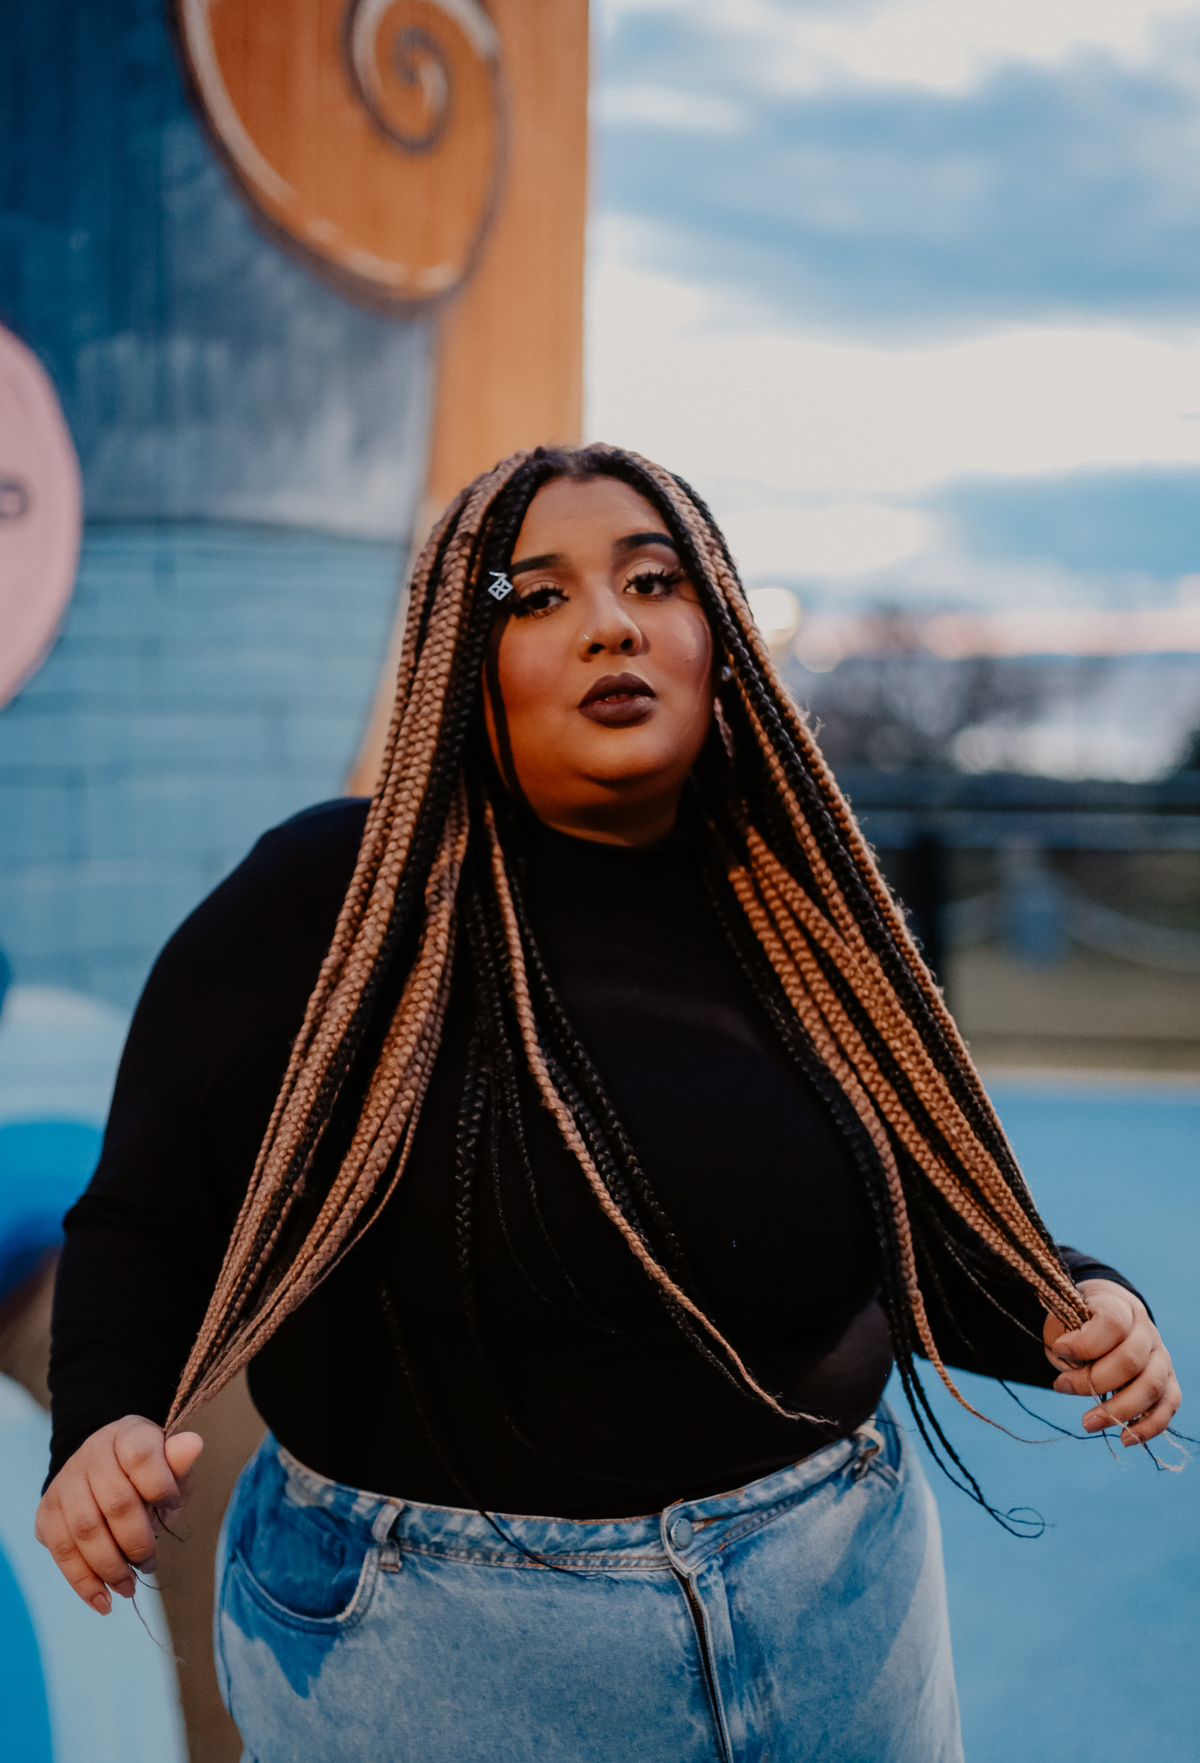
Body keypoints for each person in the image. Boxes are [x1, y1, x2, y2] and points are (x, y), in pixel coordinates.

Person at [36, 446, 1179, 1762]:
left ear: (720, 638)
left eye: (654, 581)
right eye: (536, 596)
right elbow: (145, 1217)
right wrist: (103, 1420)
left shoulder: (801, 913)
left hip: (842, 1613)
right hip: (443, 1656)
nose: (610, 623)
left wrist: (1077, 1305)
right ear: (460, 658)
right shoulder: (329, 902)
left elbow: (912, 1240)